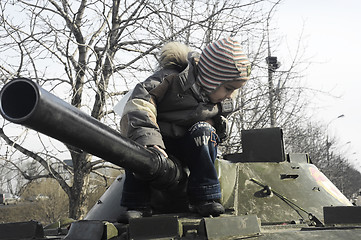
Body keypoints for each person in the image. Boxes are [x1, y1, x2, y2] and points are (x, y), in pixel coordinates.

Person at [119, 37, 251, 220]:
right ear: (211, 77)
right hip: (159, 141)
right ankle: (136, 204)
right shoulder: (171, 78)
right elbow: (140, 104)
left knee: (204, 132)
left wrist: (217, 126)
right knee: (137, 153)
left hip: (191, 145)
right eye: (228, 88)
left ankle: (205, 197)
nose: (230, 95)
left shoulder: (217, 99)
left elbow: (220, 125)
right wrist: (148, 141)